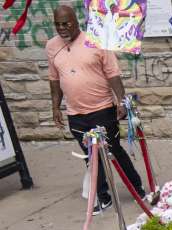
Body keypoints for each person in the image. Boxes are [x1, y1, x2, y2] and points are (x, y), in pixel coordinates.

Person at [47, 4, 146, 215]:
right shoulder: (51, 47)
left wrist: (120, 101)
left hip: (102, 108)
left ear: (76, 21)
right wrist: (55, 107)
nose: (62, 28)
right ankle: (103, 197)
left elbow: (113, 73)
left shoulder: (97, 40)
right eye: (57, 24)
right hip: (76, 114)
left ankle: (137, 188)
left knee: (113, 151)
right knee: (90, 157)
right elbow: (54, 80)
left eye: (66, 23)